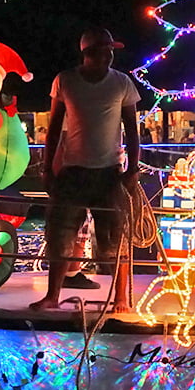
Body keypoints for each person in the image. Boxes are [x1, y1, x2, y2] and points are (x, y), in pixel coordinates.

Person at [31, 26, 140, 312]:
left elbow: (132, 129)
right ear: (90, 53)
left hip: (109, 171)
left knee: (116, 236)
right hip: (73, 170)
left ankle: (121, 298)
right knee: (60, 233)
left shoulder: (122, 83)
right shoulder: (65, 81)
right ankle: (52, 295)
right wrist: (47, 169)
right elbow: (53, 129)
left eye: (111, 51)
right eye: (106, 50)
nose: (110, 55)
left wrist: (133, 169)